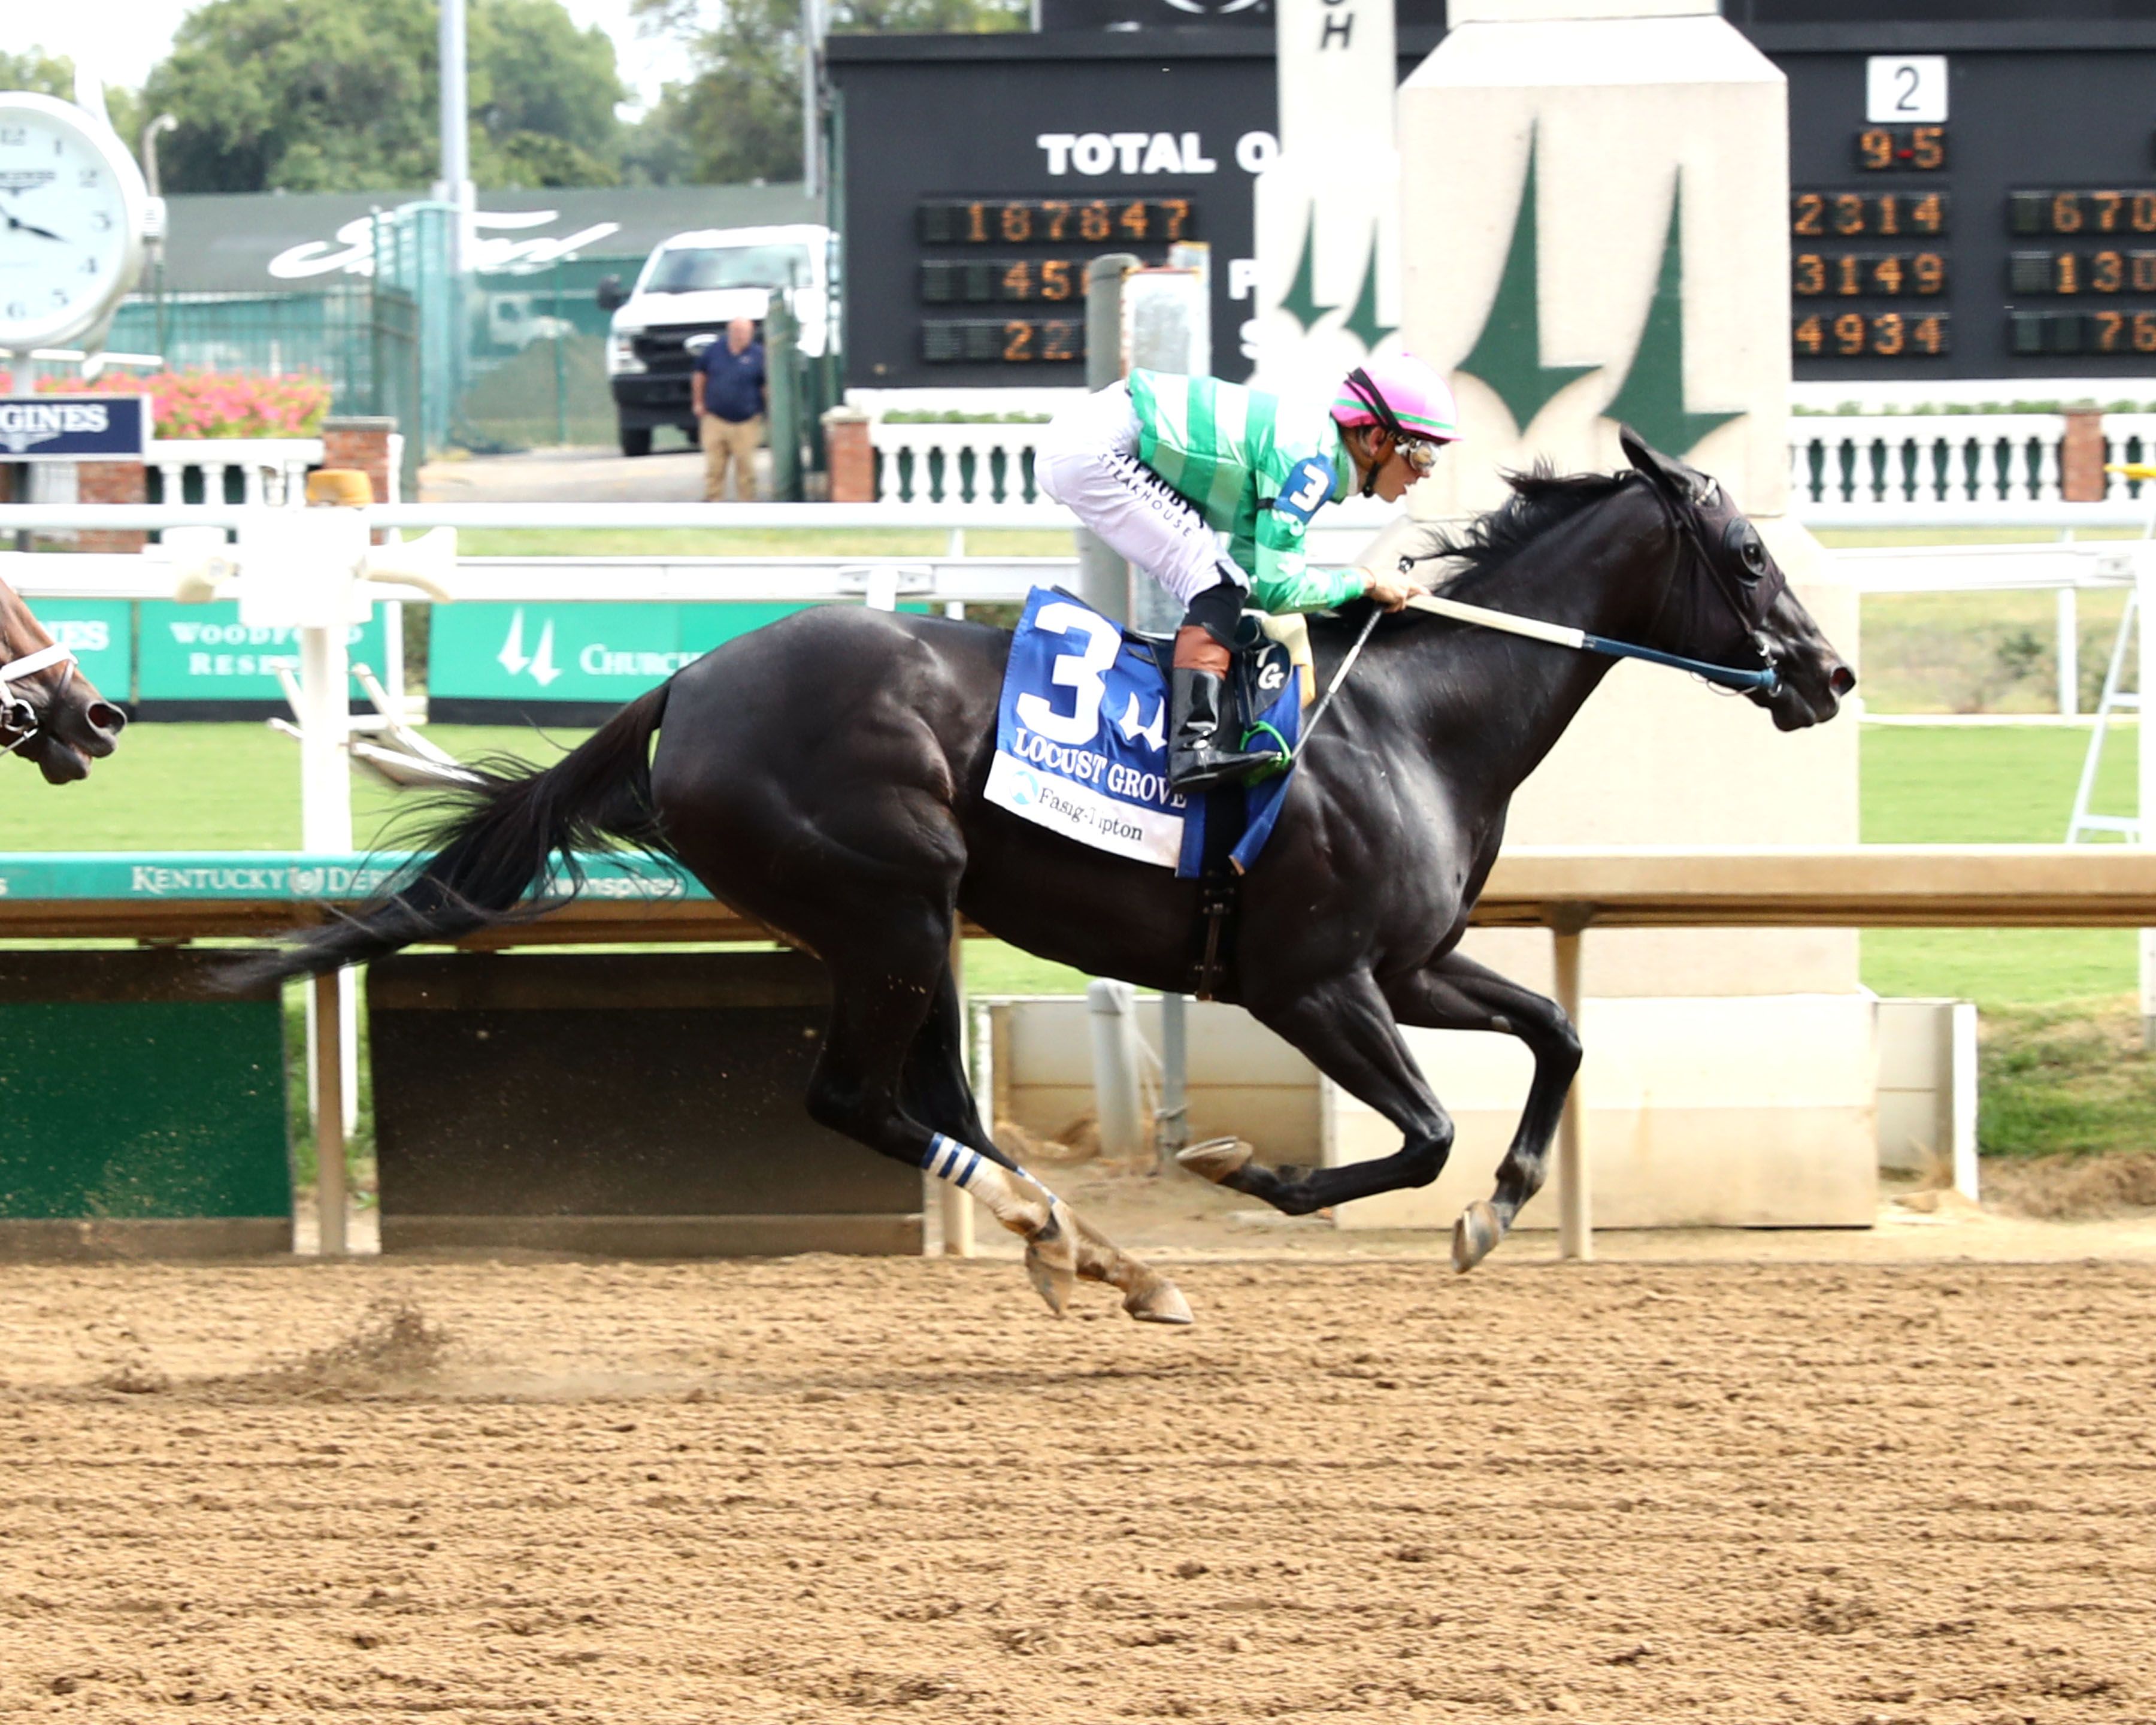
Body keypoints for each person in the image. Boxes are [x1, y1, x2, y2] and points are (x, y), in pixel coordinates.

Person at [1035, 355, 1461, 793]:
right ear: (1376, 439)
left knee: (1228, 582)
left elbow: (1256, 581)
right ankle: (1191, 749)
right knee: (1216, 582)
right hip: (1097, 446)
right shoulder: (1309, 467)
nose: (1425, 473)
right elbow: (1280, 591)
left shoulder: (1312, 452)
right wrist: (1367, 582)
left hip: (1095, 439)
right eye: (1422, 453)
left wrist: (1355, 595)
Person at [694, 317, 767, 501]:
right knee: (714, 467)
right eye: (739, 332)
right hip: (715, 419)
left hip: (746, 421)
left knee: (746, 468)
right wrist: (698, 402)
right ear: (731, 332)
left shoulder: (759, 355)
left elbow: (765, 385)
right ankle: (713, 502)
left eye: (747, 332)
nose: (743, 336)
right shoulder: (714, 351)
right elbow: (700, 376)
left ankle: (747, 503)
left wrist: (768, 410)